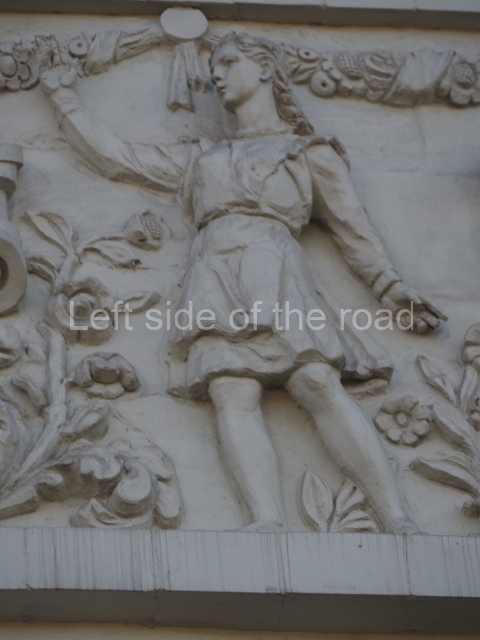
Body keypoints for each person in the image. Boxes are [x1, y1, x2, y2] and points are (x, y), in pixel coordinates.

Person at [40, 32, 446, 533]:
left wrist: (389, 286)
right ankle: (265, 520)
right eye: (215, 64)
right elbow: (119, 156)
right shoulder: (202, 157)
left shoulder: (306, 152)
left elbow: (353, 228)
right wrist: (63, 98)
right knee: (231, 389)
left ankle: (397, 516)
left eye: (229, 61)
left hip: (273, 267)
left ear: (266, 69)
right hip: (214, 270)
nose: (217, 73)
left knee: (315, 380)